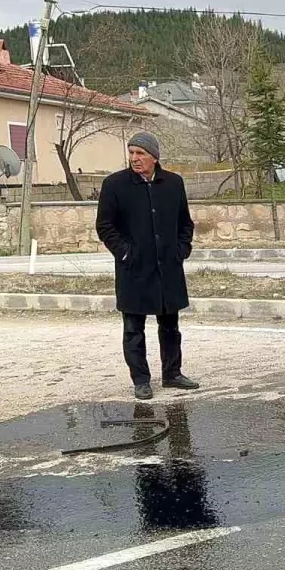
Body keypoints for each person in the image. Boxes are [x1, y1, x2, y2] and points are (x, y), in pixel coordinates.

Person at [95, 132, 200, 400]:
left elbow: (185, 223)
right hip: (134, 270)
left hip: (168, 268)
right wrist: (126, 254)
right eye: (131, 153)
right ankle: (141, 380)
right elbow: (105, 227)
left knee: (170, 326)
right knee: (133, 329)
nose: (134, 158)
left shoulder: (173, 183)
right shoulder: (114, 185)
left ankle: (172, 373)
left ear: (154, 156)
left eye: (140, 153)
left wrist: (181, 249)